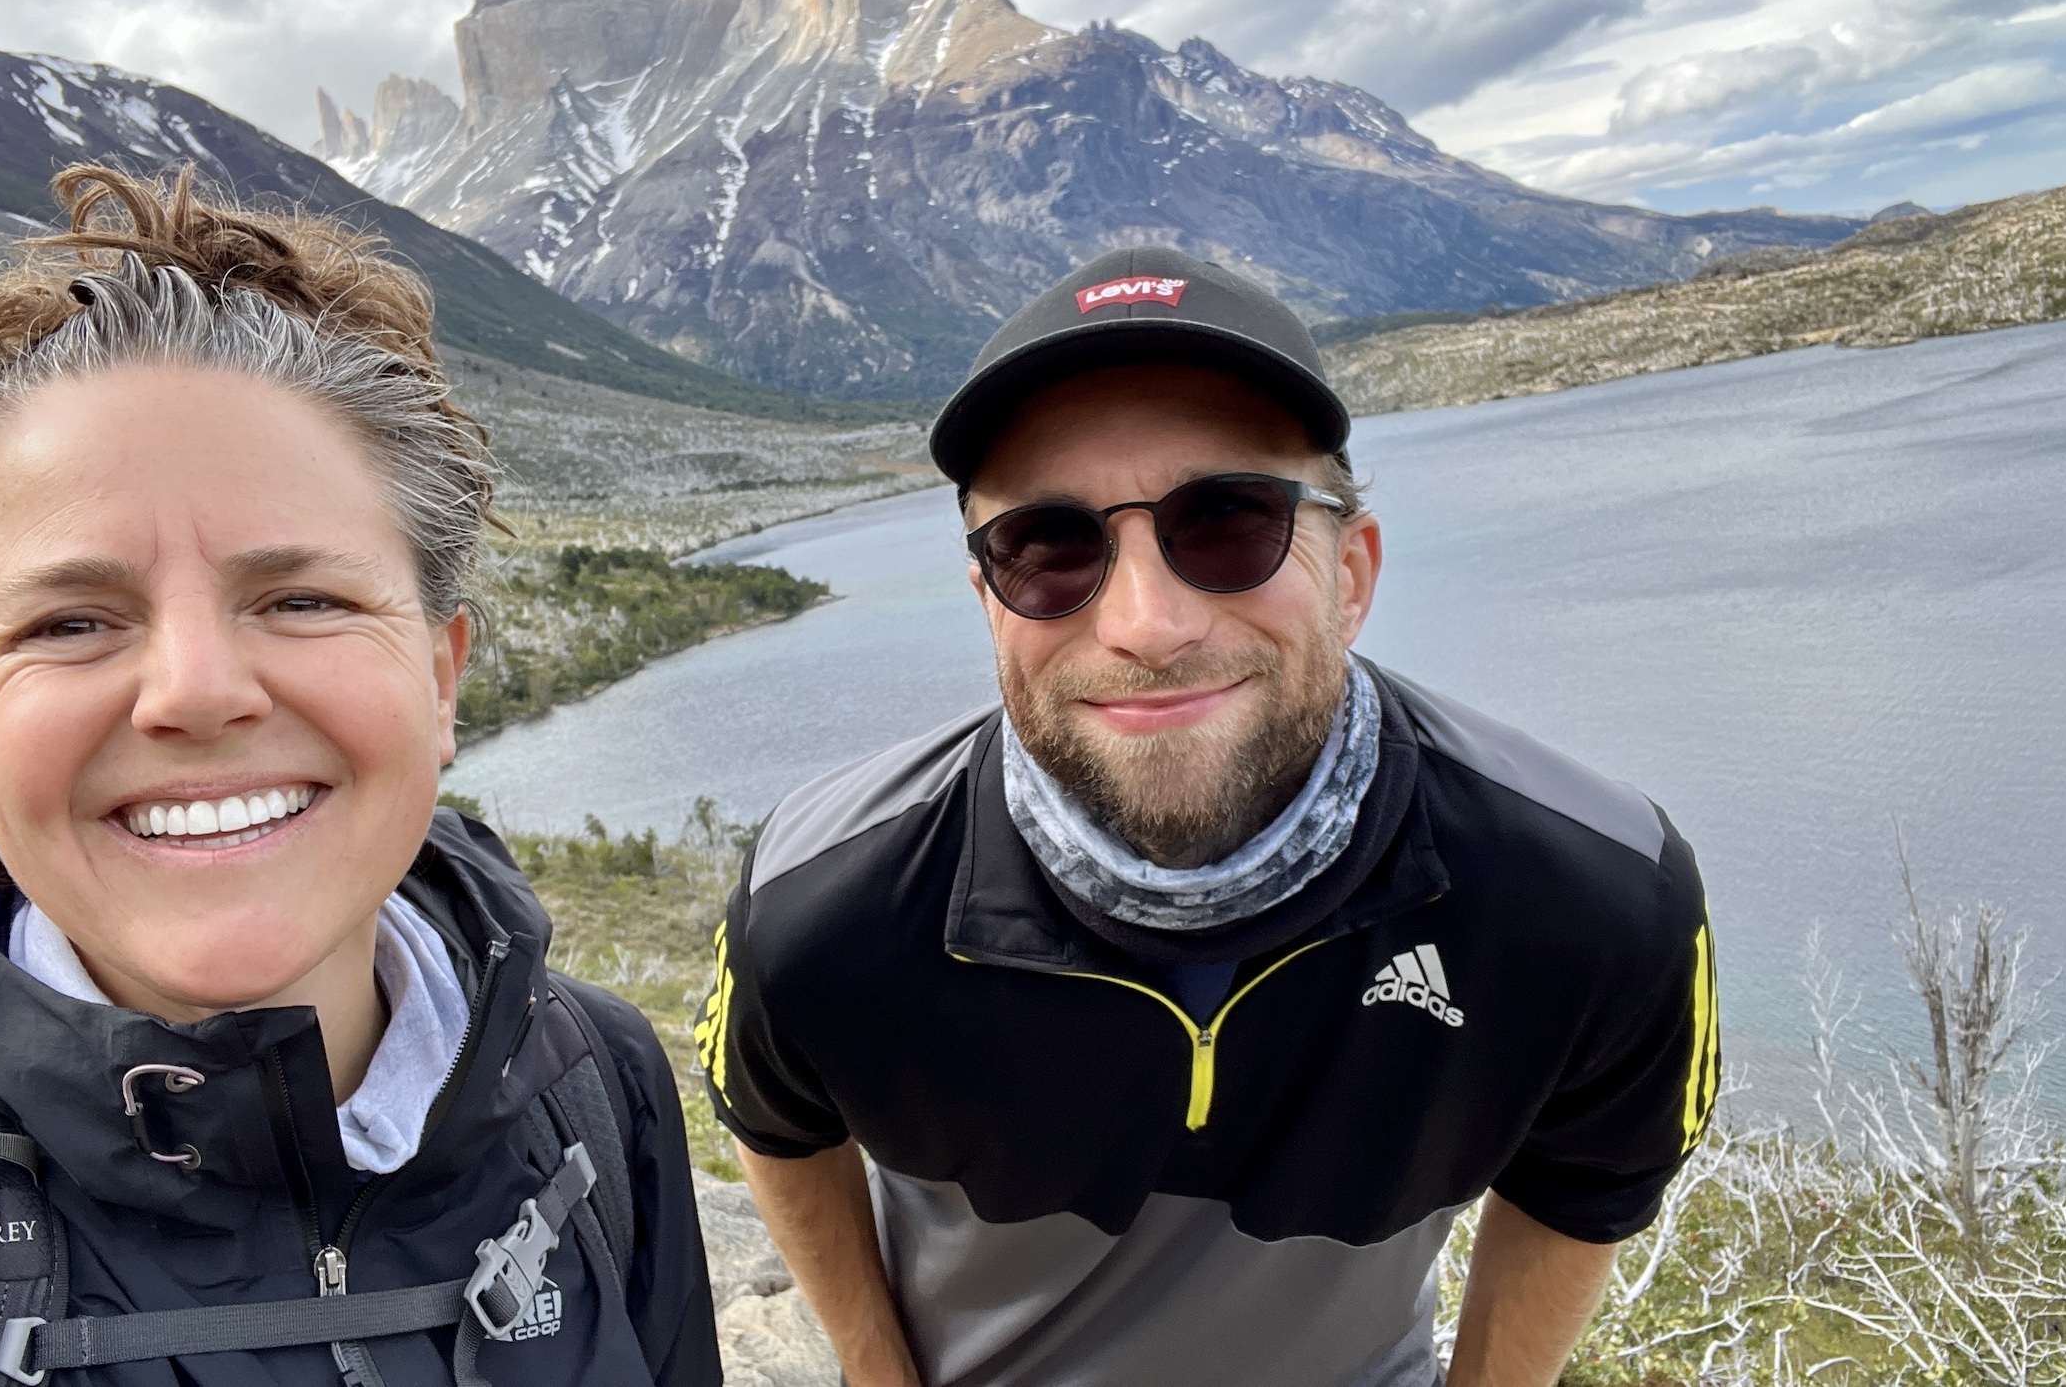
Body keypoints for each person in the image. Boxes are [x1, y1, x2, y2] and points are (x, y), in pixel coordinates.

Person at [694, 247, 1721, 1387]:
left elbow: (1582, 1189)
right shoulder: (821, 903)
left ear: (1353, 571)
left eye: (1230, 520)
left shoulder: (1597, 896)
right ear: (988, 599)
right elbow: (779, 1128)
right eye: (1049, 546)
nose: (1146, 622)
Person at [0, 168, 719, 1386]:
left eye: (302, 598)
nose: (194, 687)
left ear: (441, 678)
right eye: (71, 621)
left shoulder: (592, 1082)